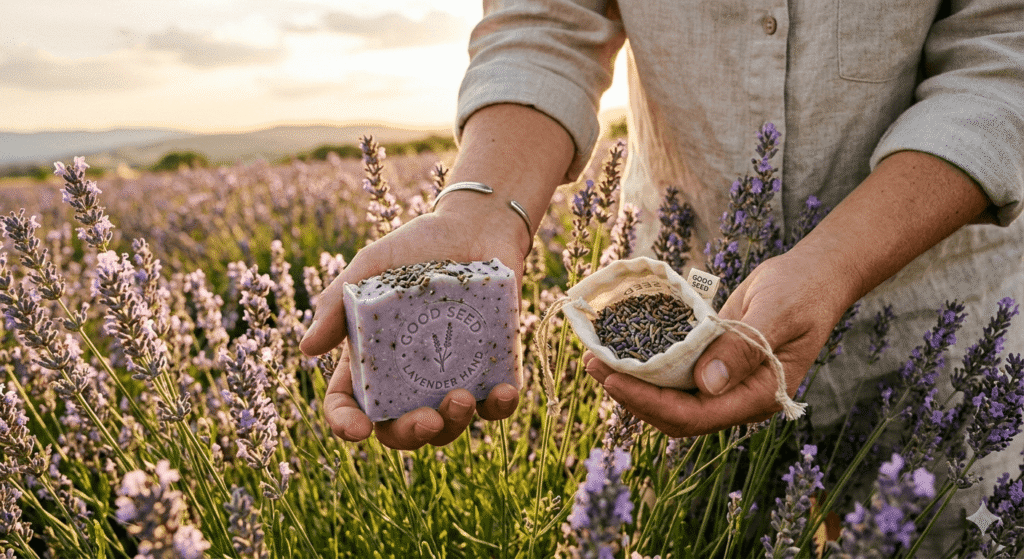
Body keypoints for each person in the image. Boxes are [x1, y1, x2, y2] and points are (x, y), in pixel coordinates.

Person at [300, 0, 1023, 553]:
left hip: (944, 316)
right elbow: (548, 19)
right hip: (684, 315)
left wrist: (837, 262)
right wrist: (483, 207)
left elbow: (1003, 52)